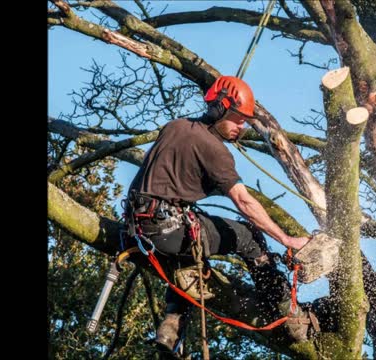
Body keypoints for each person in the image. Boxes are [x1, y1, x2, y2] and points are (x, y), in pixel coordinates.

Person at [125, 76, 317, 352]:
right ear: (220, 110)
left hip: (137, 230)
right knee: (248, 236)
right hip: (167, 229)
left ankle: (169, 331)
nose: (241, 126)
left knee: (189, 264)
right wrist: (287, 240)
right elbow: (243, 200)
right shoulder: (214, 150)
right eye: (238, 119)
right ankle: (286, 313)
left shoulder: (174, 127)